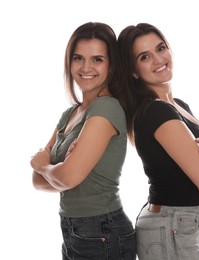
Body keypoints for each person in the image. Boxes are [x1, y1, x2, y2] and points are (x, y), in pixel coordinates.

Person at [30, 22, 136, 260]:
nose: (86, 67)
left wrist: (44, 165)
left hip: (102, 232)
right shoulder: (70, 115)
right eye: (78, 58)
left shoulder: (106, 108)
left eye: (97, 59)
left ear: (112, 65)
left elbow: (65, 178)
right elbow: (38, 182)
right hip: (74, 231)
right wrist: (57, 172)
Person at [117, 23, 199, 260]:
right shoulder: (156, 112)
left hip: (177, 226)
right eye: (145, 57)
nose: (158, 59)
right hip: (171, 228)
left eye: (161, 48)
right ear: (133, 70)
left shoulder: (178, 106)